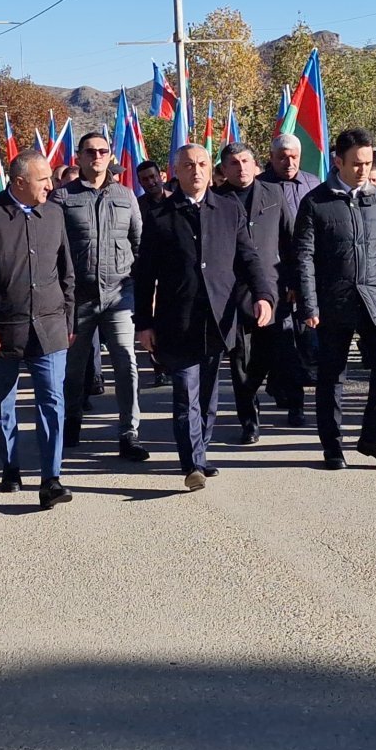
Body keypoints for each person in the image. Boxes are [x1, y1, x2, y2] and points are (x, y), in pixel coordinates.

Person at [133, 144, 276, 492]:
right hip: (176, 320)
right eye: (187, 165)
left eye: (201, 164)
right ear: (176, 171)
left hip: (218, 318)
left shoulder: (228, 209)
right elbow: (144, 275)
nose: (195, 171)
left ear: (212, 170)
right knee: (185, 393)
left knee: (209, 396)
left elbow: (249, 259)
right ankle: (192, 463)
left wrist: (264, 295)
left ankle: (201, 452)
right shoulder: (159, 215)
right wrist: (144, 323)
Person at [0, 153, 76, 509]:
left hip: (50, 327)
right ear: (20, 181)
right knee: (1, 404)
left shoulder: (54, 214)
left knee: (52, 403)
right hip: (2, 330)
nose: (50, 186)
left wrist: (68, 320)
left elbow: (66, 271)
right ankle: (10, 467)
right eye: (43, 180)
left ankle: (51, 478)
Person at [295, 129, 376, 470]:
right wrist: (309, 305)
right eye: (356, 163)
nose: (363, 169)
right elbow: (303, 258)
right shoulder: (315, 202)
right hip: (334, 300)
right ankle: (332, 446)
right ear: (338, 161)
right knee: (332, 375)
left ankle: (375, 438)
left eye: (368, 163)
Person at [51, 132, 147, 460]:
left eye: (102, 151)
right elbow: (53, 249)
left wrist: (143, 285)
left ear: (110, 157)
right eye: (90, 151)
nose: (97, 156)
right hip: (78, 298)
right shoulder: (62, 198)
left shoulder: (126, 196)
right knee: (74, 368)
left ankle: (129, 432)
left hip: (120, 295)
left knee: (126, 361)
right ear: (78, 156)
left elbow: (139, 243)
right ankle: (72, 421)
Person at [212, 141, 293, 445]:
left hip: (272, 288)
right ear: (224, 168)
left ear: (256, 164)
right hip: (233, 293)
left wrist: (294, 283)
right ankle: (249, 419)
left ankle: (281, 396)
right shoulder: (216, 200)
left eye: (246, 161)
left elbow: (289, 240)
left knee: (273, 354)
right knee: (240, 361)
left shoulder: (274, 193)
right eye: (234, 163)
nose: (241, 168)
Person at [261, 134, 322, 423]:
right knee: (283, 341)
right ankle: (288, 394)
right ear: (272, 158)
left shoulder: (313, 184)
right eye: (283, 157)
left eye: (294, 156)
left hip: (309, 274)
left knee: (306, 339)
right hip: (275, 276)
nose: (289, 162)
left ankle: (295, 397)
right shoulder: (261, 186)